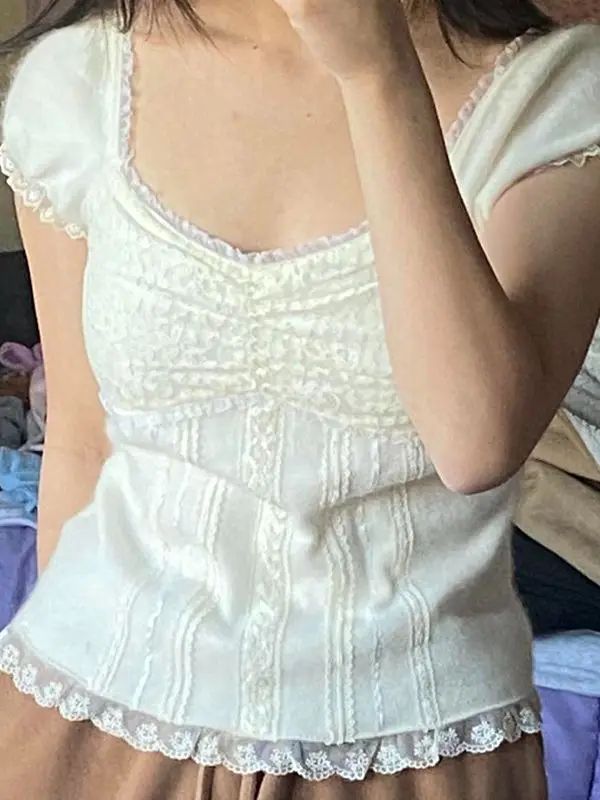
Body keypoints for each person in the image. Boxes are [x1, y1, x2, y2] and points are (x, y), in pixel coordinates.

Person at [0, 0, 599, 797]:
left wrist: (378, 75)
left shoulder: (556, 96)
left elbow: (476, 441)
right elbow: (81, 440)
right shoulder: (77, 82)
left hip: (409, 744)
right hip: (87, 714)